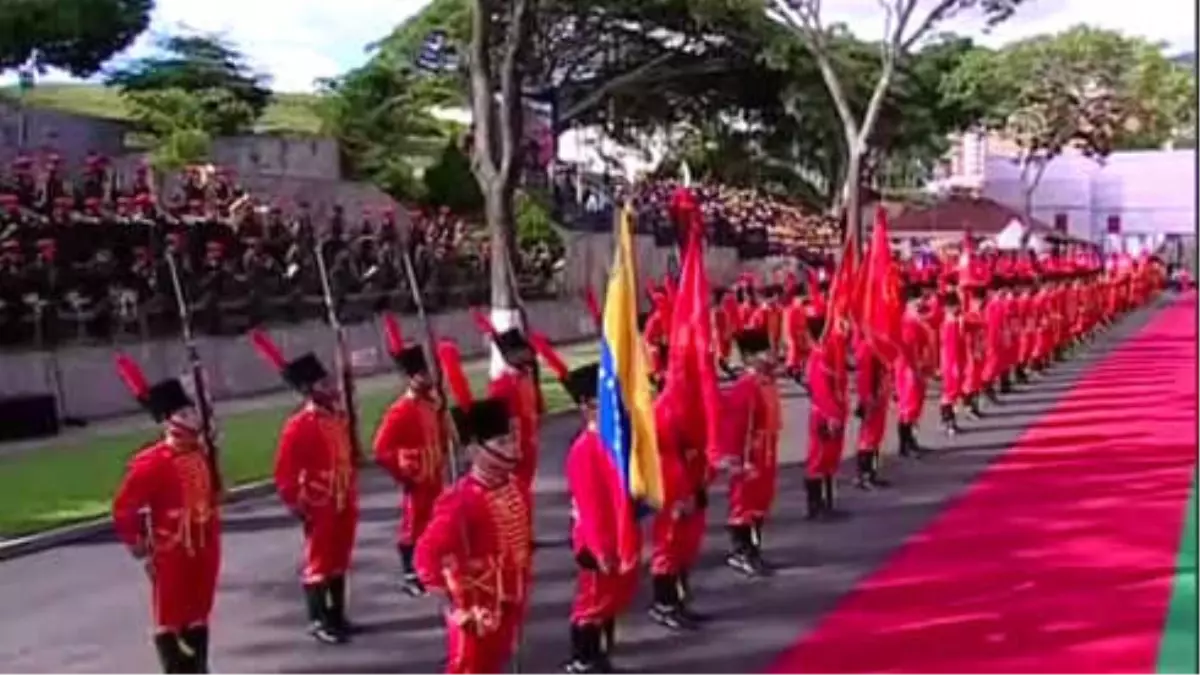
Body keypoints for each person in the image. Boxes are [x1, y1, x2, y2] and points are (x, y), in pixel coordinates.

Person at [112, 358, 220, 675]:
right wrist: (137, 541)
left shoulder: (199, 451)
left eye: (191, 412)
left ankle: (198, 667)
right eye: (184, 414)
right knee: (171, 613)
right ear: (168, 420)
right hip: (171, 548)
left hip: (202, 544)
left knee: (200, 609)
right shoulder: (152, 462)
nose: (193, 418)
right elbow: (124, 506)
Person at [251, 331, 360, 645]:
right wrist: (298, 504)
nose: (331, 387)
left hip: (342, 499)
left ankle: (337, 615)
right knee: (320, 562)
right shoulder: (299, 426)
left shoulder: (336, 418)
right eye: (324, 384)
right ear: (311, 390)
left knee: (339, 559)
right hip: (319, 501)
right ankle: (319, 619)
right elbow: (285, 473)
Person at [415, 398, 534, 675]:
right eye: (502, 443)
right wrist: (455, 608)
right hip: (476, 606)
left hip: (509, 599)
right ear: (474, 451)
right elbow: (426, 557)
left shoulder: (513, 486)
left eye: (511, 440)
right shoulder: (460, 500)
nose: (512, 449)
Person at [563, 364, 642, 673]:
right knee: (592, 603)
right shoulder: (585, 449)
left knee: (612, 598)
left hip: (618, 533)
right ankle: (583, 659)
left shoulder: (613, 441)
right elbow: (590, 507)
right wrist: (601, 549)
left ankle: (598, 655)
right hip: (597, 540)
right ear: (586, 406)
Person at [372, 342, 447, 597]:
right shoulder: (400, 410)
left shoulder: (428, 405)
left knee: (434, 522)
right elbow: (381, 449)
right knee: (413, 526)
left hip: (434, 473)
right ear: (412, 378)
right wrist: (404, 472)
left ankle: (428, 568)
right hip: (417, 476)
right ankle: (410, 574)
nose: (428, 378)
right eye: (422, 374)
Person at [718, 328, 782, 577]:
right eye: (762, 352)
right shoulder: (746, 387)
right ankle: (741, 552)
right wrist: (739, 460)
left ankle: (754, 549)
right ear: (749, 357)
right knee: (743, 505)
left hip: (766, 451)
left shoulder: (766, 383)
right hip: (750, 455)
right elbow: (737, 428)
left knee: (759, 503)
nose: (769, 356)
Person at [648, 386, 711, 631]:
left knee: (684, 548)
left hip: (690, 480)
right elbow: (668, 455)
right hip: (673, 484)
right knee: (668, 547)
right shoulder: (663, 410)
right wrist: (678, 496)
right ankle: (664, 604)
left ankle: (679, 601)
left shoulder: (691, 401)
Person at [485, 328, 543, 498]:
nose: (528, 355)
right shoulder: (501, 385)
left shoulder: (527, 377)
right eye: (523, 352)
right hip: (514, 450)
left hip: (529, 445)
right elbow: (498, 425)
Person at [894, 285, 932, 458]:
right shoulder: (907, 323)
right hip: (908, 369)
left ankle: (911, 440)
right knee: (907, 406)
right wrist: (914, 369)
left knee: (915, 405)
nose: (920, 303)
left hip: (918, 367)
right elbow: (907, 351)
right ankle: (904, 444)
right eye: (915, 301)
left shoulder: (917, 321)